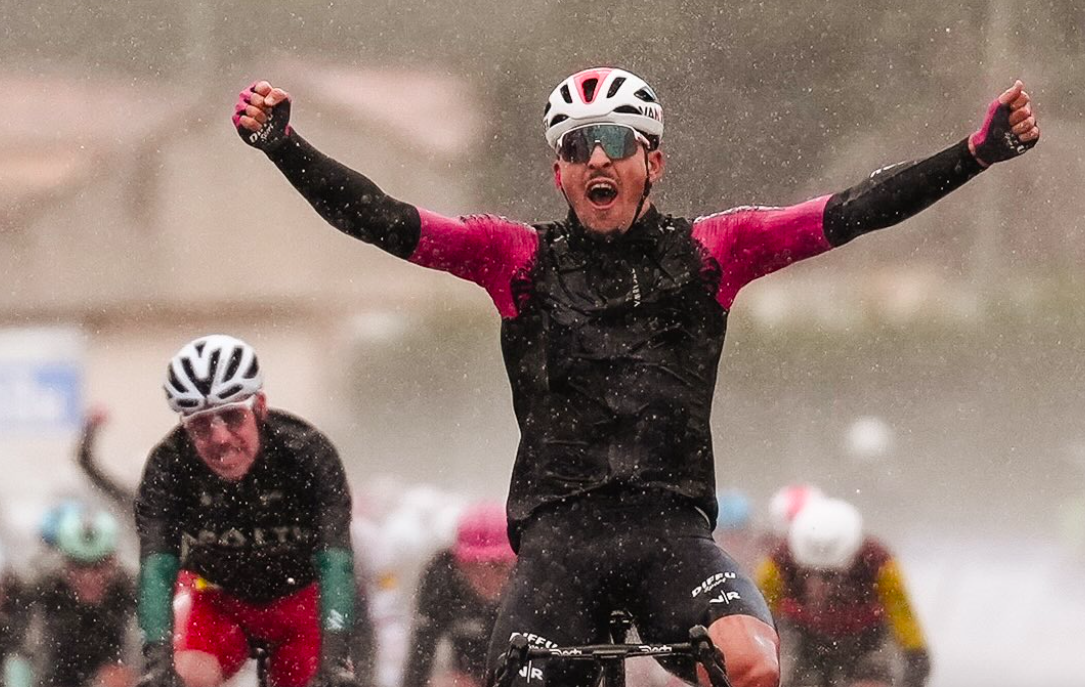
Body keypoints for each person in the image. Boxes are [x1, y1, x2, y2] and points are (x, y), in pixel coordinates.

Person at [232, 67, 1038, 687]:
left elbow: (853, 209)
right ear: (557, 173)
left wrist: (975, 154)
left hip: (671, 536)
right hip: (557, 543)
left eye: (615, 141)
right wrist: (285, 147)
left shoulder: (716, 250)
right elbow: (381, 217)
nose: (595, 157)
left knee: (753, 666)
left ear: (652, 162)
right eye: (575, 146)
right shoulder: (513, 259)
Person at [134, 335, 360, 687]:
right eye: (201, 426)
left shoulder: (306, 454)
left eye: (232, 416)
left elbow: (336, 562)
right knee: (183, 679)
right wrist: (157, 663)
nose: (220, 438)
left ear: (260, 407)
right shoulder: (169, 465)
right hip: (216, 598)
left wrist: (335, 662)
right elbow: (157, 569)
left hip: (299, 601)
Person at [755, 498, 930, 687]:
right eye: (810, 573)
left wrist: (915, 653)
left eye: (830, 575)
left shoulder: (878, 562)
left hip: (867, 639)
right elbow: (757, 614)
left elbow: (901, 611)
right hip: (802, 637)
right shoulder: (777, 564)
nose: (821, 586)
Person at [401, 502, 515, 687]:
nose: (486, 577)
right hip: (466, 663)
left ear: (516, 561)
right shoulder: (441, 579)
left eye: (498, 565)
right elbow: (421, 653)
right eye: (473, 565)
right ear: (457, 562)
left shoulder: (534, 584)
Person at [28, 506, 138, 687]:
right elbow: (23, 653)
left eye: (98, 566)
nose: (88, 578)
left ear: (113, 562)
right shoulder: (43, 592)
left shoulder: (132, 595)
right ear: (64, 564)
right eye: (78, 566)